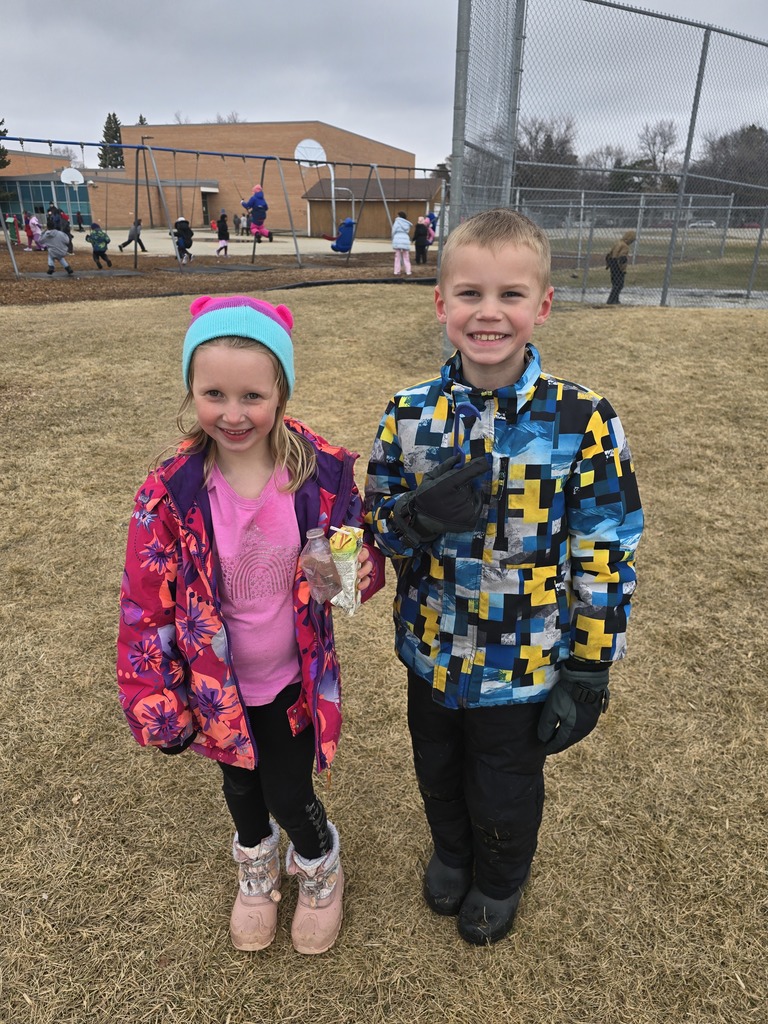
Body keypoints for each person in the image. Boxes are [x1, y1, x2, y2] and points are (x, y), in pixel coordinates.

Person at [364, 208, 644, 946]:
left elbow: (606, 547)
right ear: (441, 304)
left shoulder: (582, 419)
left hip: (522, 662)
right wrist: (414, 521)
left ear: (543, 304)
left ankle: (498, 876)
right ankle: (453, 853)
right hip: (430, 648)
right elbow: (370, 533)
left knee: (506, 784)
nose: (489, 313)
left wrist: (589, 665)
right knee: (437, 769)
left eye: (511, 295)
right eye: (470, 294)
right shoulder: (408, 414)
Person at [116, 294, 385, 955]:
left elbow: (358, 560)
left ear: (280, 393)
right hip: (217, 687)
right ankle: (257, 869)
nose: (232, 414)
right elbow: (144, 603)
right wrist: (155, 697)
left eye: (251, 396)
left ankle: (320, 863)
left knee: (290, 792)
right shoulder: (170, 491)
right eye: (214, 394)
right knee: (240, 789)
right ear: (192, 392)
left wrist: (351, 572)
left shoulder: (318, 474)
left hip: (292, 679)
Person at [605, 230, 636, 305]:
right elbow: (622, 258)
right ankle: (612, 300)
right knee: (619, 284)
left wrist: (609, 264)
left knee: (615, 283)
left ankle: (615, 300)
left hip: (612, 263)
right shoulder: (625, 246)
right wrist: (623, 269)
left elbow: (609, 254)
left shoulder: (618, 243)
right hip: (618, 265)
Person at [391, 210, 413, 276]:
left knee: (397, 257)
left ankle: (396, 271)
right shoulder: (407, 224)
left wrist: (393, 238)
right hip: (405, 239)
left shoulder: (397, 222)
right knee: (406, 256)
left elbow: (393, 231)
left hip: (397, 239)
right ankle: (408, 271)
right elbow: (407, 231)